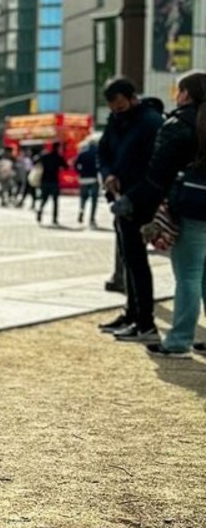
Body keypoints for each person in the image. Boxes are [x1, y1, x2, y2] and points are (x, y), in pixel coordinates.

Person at [128, 71, 206, 358]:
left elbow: (158, 171)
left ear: (186, 94)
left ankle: (179, 340)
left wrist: (139, 202)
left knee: (188, 275)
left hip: (192, 204)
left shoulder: (179, 123)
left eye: (179, 90)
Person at [96, 77, 164, 342]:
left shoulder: (150, 123)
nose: (117, 111)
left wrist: (133, 196)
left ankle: (145, 321)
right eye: (113, 108)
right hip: (120, 197)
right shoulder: (115, 121)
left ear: (133, 98)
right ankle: (132, 313)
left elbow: (156, 167)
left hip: (140, 200)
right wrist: (108, 175)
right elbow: (103, 152)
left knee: (137, 262)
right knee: (128, 259)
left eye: (121, 106)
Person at [35, 142, 68, 226]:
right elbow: (66, 167)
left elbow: (36, 161)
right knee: (55, 201)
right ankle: (54, 219)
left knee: (44, 199)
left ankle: (40, 211)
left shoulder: (45, 156)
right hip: (54, 181)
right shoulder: (58, 157)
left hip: (44, 180)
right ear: (57, 148)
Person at [74, 137, 100, 228]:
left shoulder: (82, 153)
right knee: (94, 200)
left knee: (83, 197)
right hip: (94, 179)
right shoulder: (97, 154)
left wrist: (80, 172)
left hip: (83, 179)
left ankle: (81, 210)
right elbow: (100, 166)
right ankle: (92, 219)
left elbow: (75, 164)